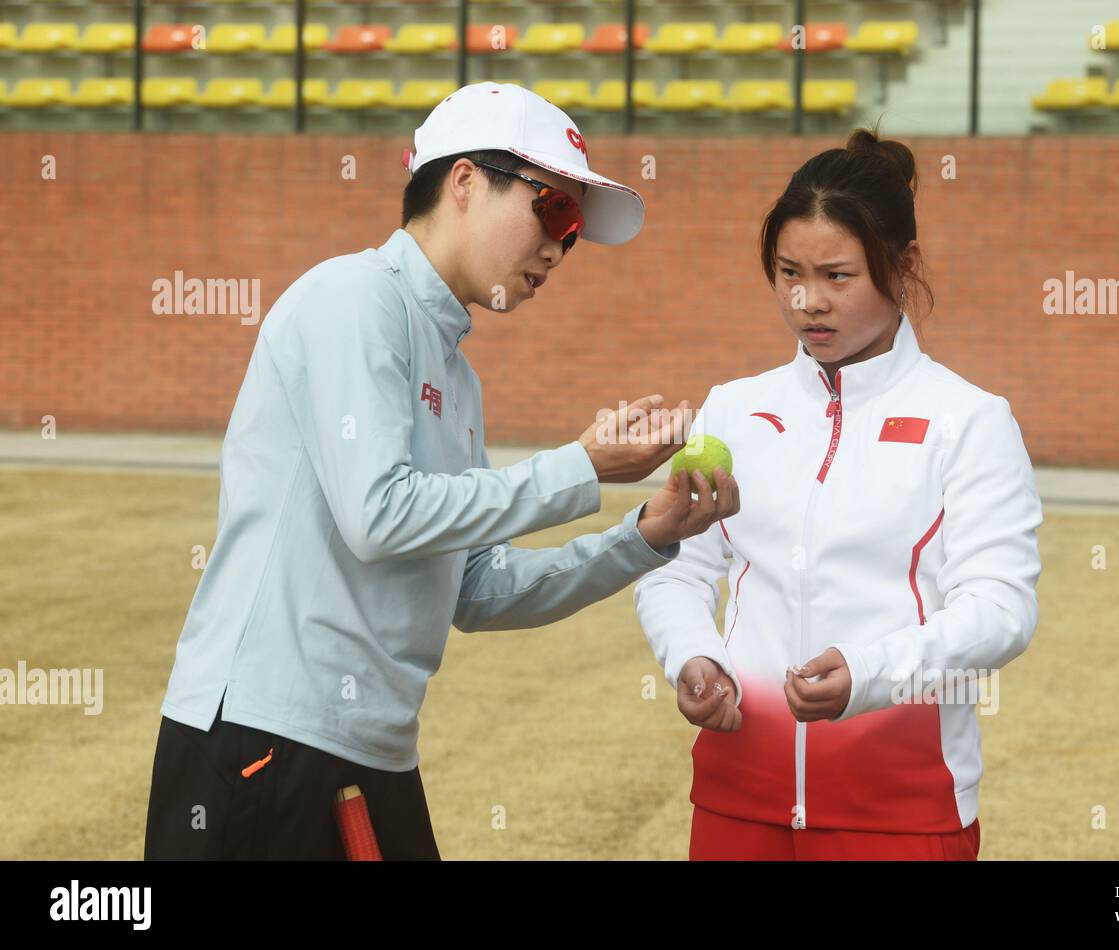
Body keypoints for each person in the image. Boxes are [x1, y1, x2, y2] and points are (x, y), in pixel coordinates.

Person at [143, 81, 740, 860]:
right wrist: (582, 465)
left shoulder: (457, 378)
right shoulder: (355, 299)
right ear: (463, 181)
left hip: (370, 750)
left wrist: (642, 537)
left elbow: (476, 590)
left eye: (576, 232)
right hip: (263, 742)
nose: (562, 248)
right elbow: (378, 515)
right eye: (554, 211)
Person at [634, 126, 1043, 861]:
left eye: (837, 276)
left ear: (903, 264)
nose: (807, 302)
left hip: (900, 808)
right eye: (789, 272)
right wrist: (693, 655)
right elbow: (681, 565)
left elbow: (1001, 611)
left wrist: (869, 675)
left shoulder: (971, 421)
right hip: (735, 798)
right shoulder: (730, 407)